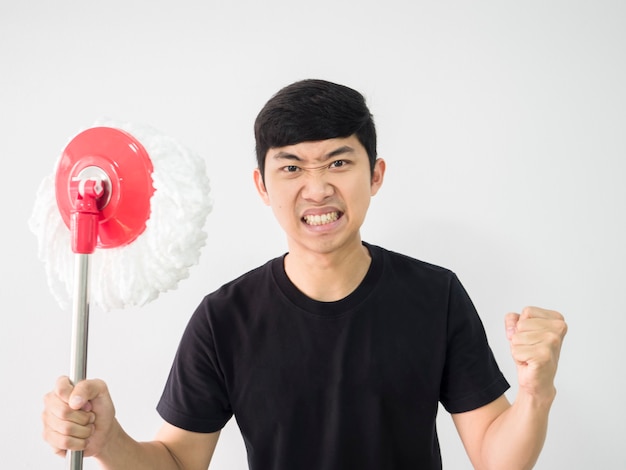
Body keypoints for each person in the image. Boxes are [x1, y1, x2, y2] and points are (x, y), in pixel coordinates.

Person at [42, 79, 567, 469]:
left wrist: (536, 392)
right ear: (262, 186)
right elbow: (179, 463)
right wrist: (107, 441)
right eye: (291, 167)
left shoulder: (436, 295)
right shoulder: (225, 319)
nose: (316, 190)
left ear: (375, 174)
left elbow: (498, 458)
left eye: (338, 163)